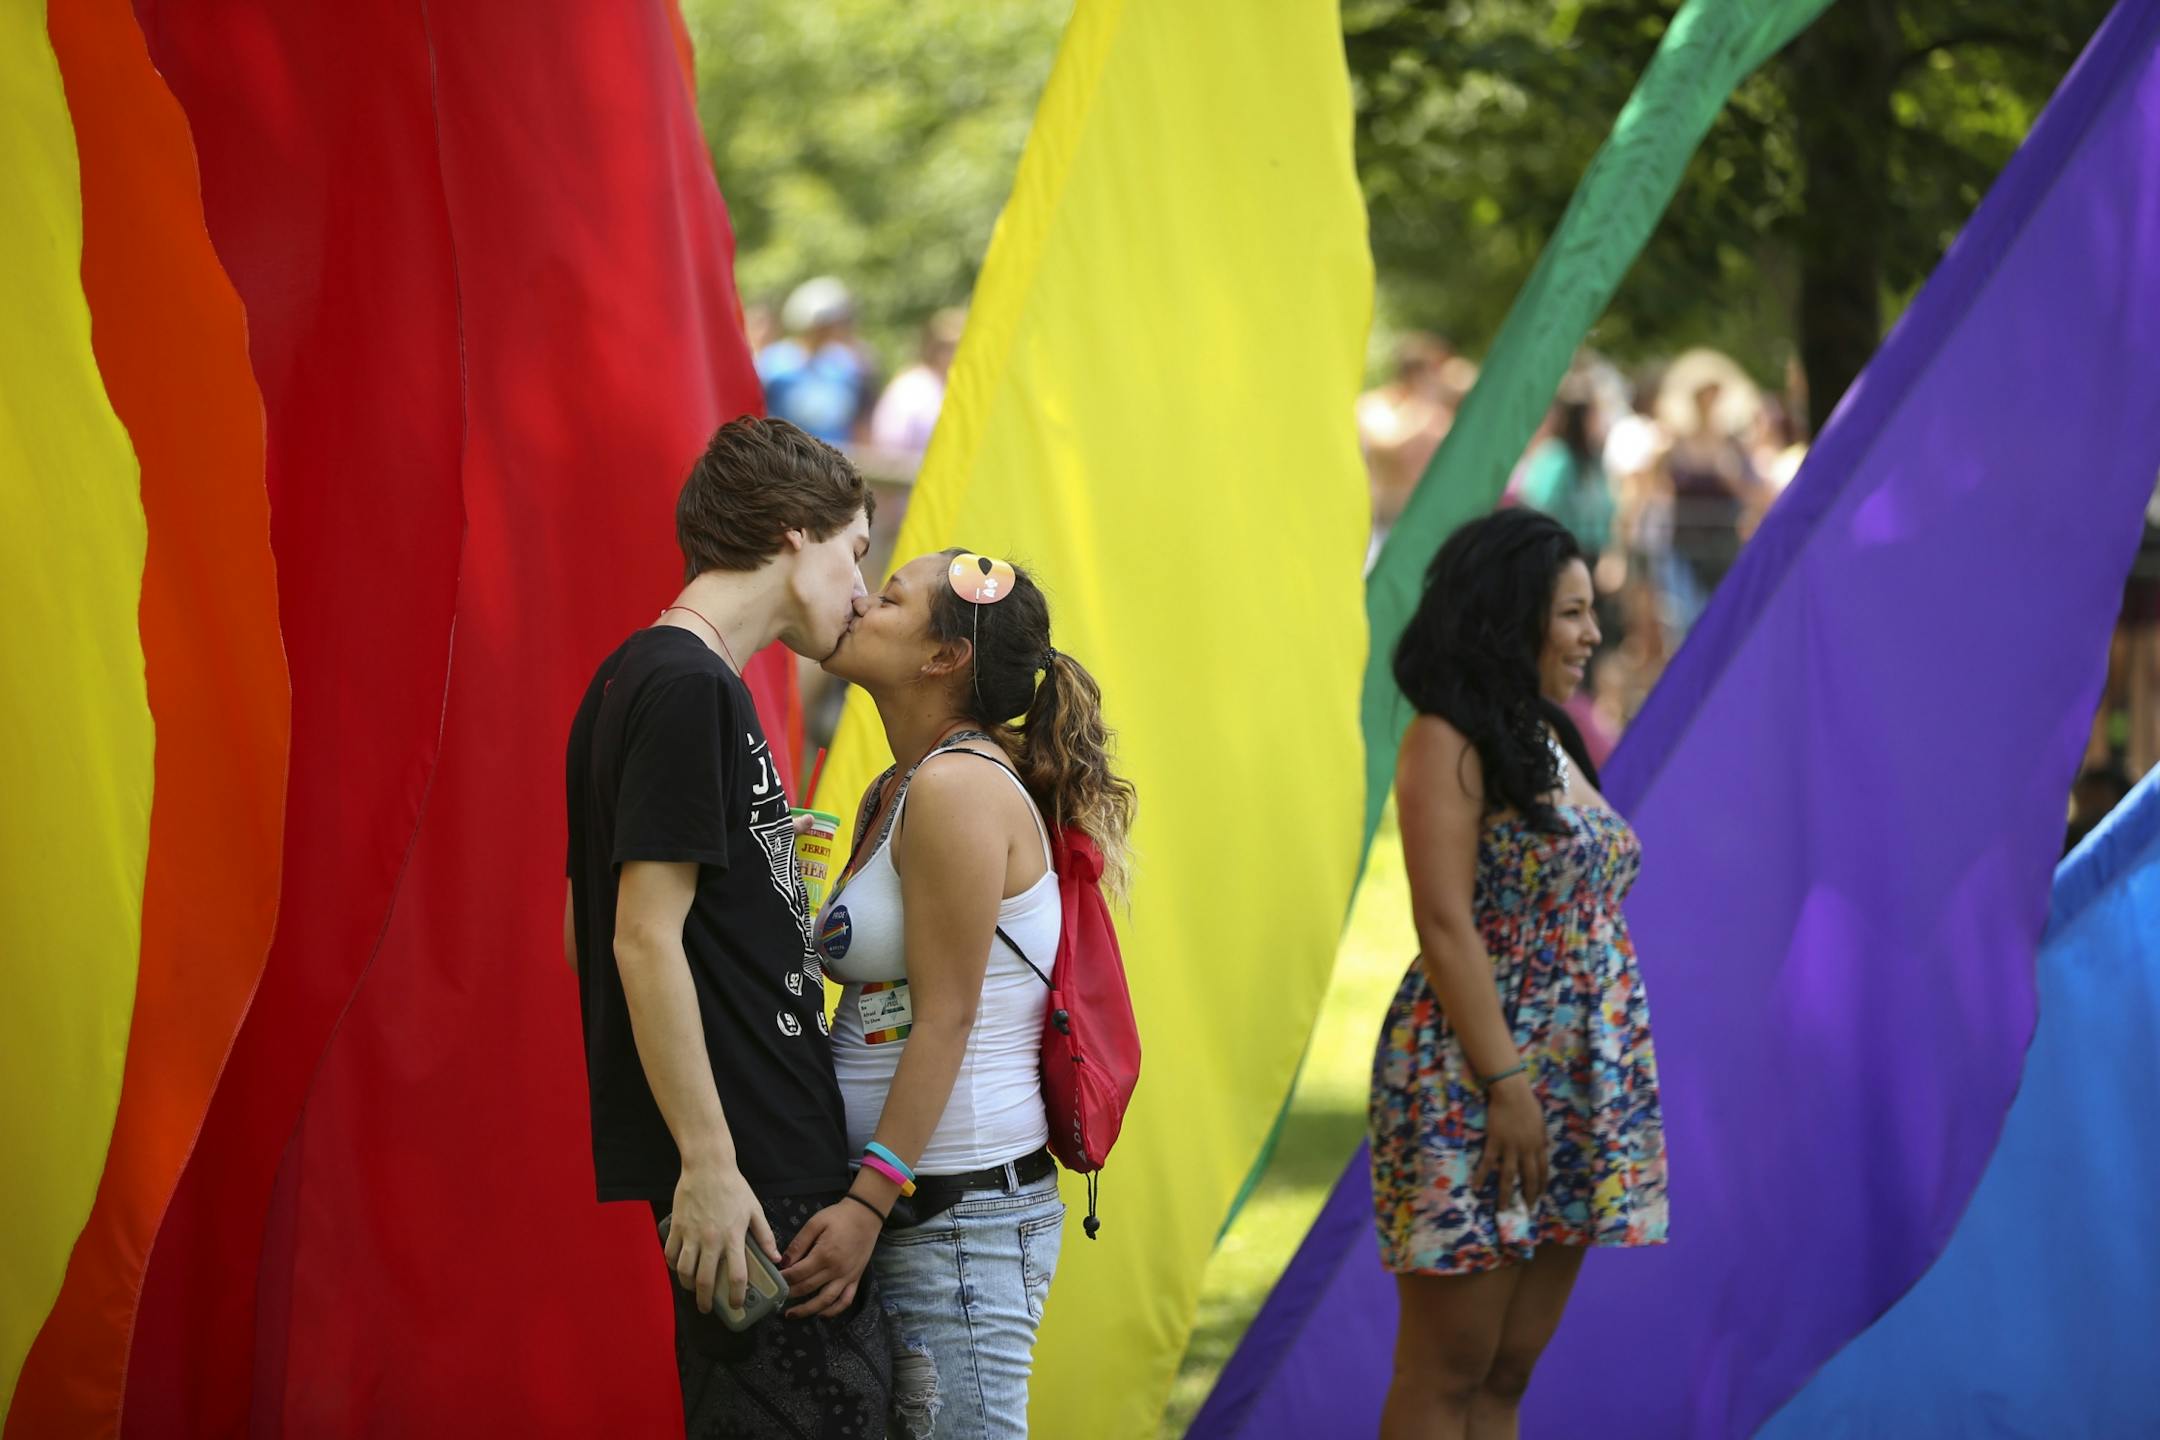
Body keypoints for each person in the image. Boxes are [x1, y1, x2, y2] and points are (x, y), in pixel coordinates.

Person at [562, 416, 886, 1436]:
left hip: (761, 1156)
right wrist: (705, 1163)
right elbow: (635, 938)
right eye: (857, 553)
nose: (864, 592)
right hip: (753, 1172)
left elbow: (589, 923)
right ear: (795, 531)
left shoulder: (660, 678)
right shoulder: (682, 684)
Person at [786, 549, 1135, 1438]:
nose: (861, 601)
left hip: (952, 1221)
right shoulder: (899, 786)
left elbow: (946, 1016)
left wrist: (868, 1203)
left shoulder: (956, 788)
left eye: (891, 598)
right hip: (905, 1206)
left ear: (944, 658)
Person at [1370, 508, 1669, 1437]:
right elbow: (1444, 921)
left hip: (1579, 1076)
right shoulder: (1444, 739)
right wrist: (1508, 1084)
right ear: (1511, 615)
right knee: (1446, 1370)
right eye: (1573, 614)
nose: (1592, 635)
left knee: (1505, 1374)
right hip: (1478, 1072)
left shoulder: (1549, 736)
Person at [758, 277, 876, 445]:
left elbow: (861, 421)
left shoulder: (847, 366)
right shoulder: (773, 364)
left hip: (836, 462)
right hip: (784, 459)